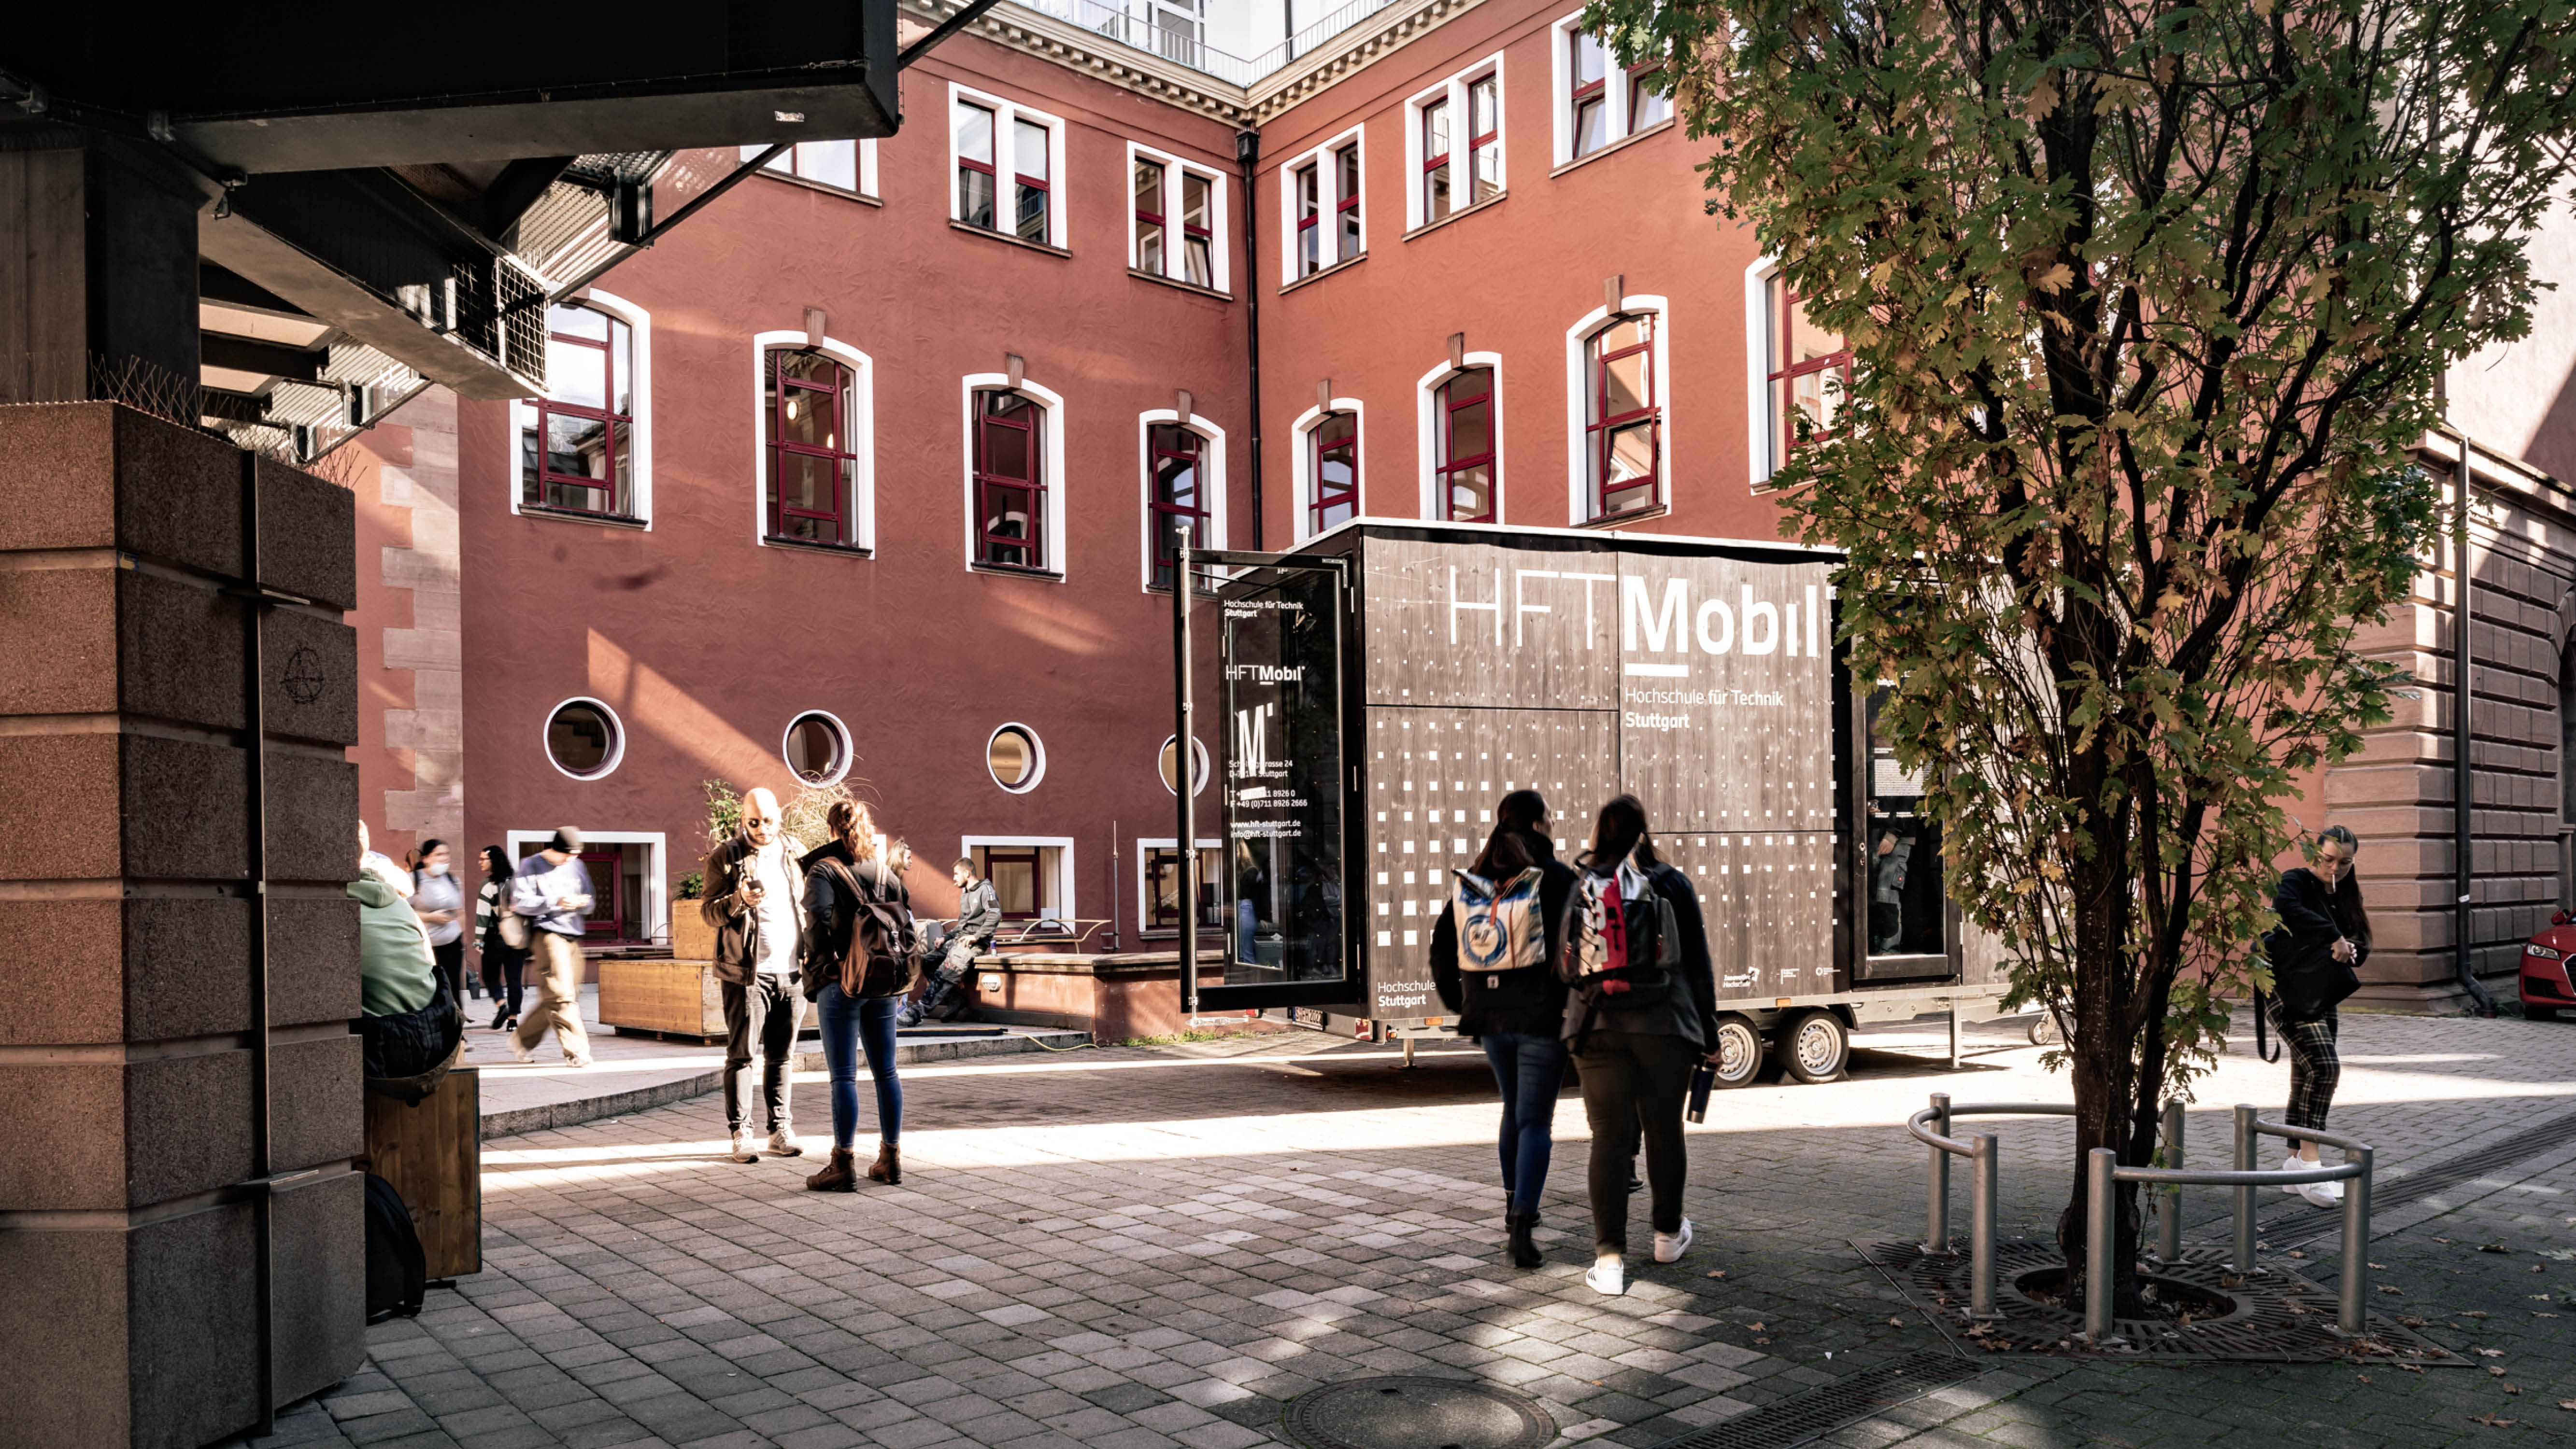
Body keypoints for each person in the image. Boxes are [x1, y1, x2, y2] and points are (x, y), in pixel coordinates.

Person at [1562, 794, 1717, 1296]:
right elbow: (1696, 965)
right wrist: (1709, 1036)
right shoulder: (1669, 882)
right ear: (1642, 831)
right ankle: (1668, 1237)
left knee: (1608, 1136)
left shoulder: (1580, 883)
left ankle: (1608, 1264)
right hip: (1664, 1024)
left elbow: (1561, 964)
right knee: (1663, 1128)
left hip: (1597, 1025)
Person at [1432, 788, 1580, 1270]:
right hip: (1541, 1018)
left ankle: (1511, 1202)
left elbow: (1441, 948)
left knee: (1512, 1110)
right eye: (1550, 820)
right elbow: (1578, 946)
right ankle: (1523, 1221)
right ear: (1539, 825)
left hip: (1490, 1019)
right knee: (1535, 1121)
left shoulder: (1473, 879)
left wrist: (1465, 1003)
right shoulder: (1557, 878)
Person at [800, 800, 912, 1190]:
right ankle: (890, 1160)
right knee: (887, 1071)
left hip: (841, 984)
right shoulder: (886, 873)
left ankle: (842, 1164)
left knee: (843, 1076)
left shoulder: (823, 870)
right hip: (883, 983)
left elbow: (815, 928)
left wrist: (824, 970)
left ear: (832, 831)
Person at [2262, 824, 2370, 1208]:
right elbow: (2286, 908)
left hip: (2323, 995)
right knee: (2325, 1069)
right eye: (2328, 859)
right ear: (2313, 854)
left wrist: (2351, 948)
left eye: (2344, 862)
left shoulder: (2348, 894)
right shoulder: (2296, 881)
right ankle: (2311, 1163)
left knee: (2304, 1074)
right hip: (2287, 993)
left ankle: (2293, 1164)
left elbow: (2362, 939)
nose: (2334, 868)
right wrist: (2332, 936)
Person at [701, 787, 808, 1162]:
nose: (762, 828)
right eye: (753, 822)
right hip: (747, 974)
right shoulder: (726, 856)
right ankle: (740, 1133)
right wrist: (738, 901)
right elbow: (708, 914)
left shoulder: (795, 851)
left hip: (792, 971)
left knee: (782, 1057)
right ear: (742, 820)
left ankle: (780, 1129)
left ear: (780, 816)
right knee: (742, 1055)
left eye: (768, 820)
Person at [355, 848, 460, 1080]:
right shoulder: (403, 907)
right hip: (434, 1033)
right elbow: (430, 960)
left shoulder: (335, 907)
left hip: (383, 1045)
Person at [509, 828, 595, 1069]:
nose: (571, 861)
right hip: (547, 933)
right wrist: (556, 902)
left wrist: (582, 903)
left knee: (564, 995)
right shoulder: (531, 865)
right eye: (567, 856)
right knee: (561, 995)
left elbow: (591, 900)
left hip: (573, 932)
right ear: (555, 849)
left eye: (576, 856)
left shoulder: (577, 865)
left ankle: (523, 1038)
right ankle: (577, 1052)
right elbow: (520, 902)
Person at [905, 857, 997, 1027]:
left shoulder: (986, 890)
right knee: (928, 961)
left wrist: (977, 936)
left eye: (956, 874)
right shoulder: (966, 895)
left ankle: (917, 1013)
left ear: (967, 873)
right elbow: (962, 925)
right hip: (960, 940)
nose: (954, 878)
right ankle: (955, 1000)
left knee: (946, 970)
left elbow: (995, 915)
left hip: (974, 944)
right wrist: (945, 938)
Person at [411, 839, 469, 1014]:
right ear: (426, 858)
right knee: (430, 989)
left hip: (452, 942)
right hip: (425, 946)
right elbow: (404, 912)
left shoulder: (452, 879)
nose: (445, 858)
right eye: (439, 854)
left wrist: (462, 935)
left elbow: (459, 911)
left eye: (447, 854)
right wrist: (431, 917)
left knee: (453, 987)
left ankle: (457, 1029)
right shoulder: (414, 879)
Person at [475, 846, 527, 1032]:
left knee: (490, 975)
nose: (480, 862)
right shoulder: (518, 882)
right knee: (514, 978)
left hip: (495, 938)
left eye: (483, 859)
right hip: (519, 937)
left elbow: (483, 916)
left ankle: (501, 1005)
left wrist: (478, 940)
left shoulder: (488, 885)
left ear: (493, 861)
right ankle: (513, 1021)